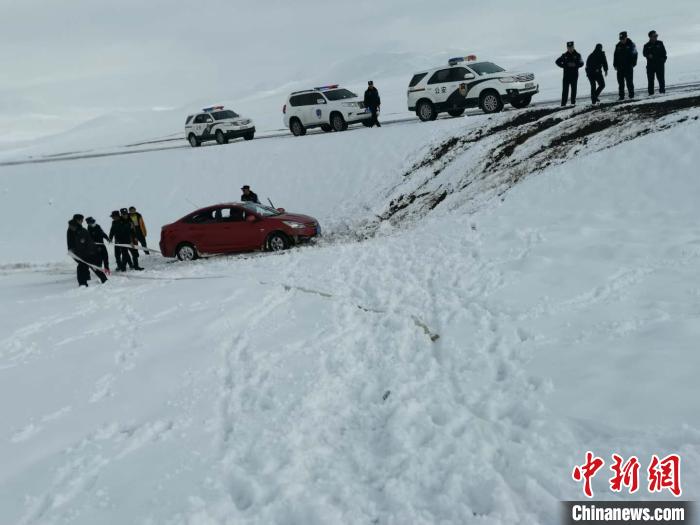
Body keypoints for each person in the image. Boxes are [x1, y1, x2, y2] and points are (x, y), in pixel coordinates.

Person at [67, 219, 107, 286]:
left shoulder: (83, 232)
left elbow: (89, 244)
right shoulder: (72, 232)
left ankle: (104, 280)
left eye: (71, 226)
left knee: (95, 267)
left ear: (75, 226)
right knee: (81, 268)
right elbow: (74, 244)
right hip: (82, 255)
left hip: (90, 254)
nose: (70, 228)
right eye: (70, 226)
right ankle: (83, 284)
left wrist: (89, 254)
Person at [555, 41, 584, 106]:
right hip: (566, 76)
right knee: (565, 90)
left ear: (573, 47)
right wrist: (564, 66)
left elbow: (582, 63)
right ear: (567, 48)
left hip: (574, 75)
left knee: (574, 90)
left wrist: (575, 65)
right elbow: (557, 62)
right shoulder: (564, 55)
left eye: (571, 47)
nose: (570, 49)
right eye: (568, 47)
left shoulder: (578, 55)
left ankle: (573, 103)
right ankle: (563, 104)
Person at [613, 31, 638, 100]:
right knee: (620, 83)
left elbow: (635, 54)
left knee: (629, 82)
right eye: (621, 39)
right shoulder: (618, 46)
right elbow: (615, 56)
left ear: (626, 37)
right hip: (620, 67)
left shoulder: (631, 44)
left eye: (623, 39)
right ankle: (621, 96)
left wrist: (633, 63)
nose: (622, 40)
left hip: (628, 67)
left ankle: (631, 96)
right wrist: (615, 65)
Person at [643, 30, 667, 95]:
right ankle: (651, 94)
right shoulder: (646, 45)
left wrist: (663, 60)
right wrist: (648, 55)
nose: (656, 37)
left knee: (661, 79)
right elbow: (644, 53)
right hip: (650, 66)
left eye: (656, 36)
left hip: (660, 65)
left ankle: (662, 92)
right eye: (654, 36)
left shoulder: (660, 43)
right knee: (650, 80)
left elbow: (664, 53)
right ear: (650, 37)